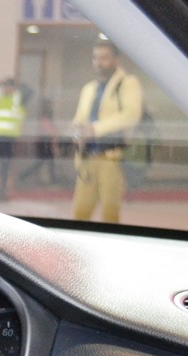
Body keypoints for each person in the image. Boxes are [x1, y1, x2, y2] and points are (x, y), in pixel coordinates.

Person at [70, 40, 143, 223]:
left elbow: (131, 115)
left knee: (110, 214)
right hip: (87, 158)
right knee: (80, 212)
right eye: (96, 58)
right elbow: (79, 118)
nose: (99, 62)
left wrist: (95, 129)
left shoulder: (127, 83)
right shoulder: (88, 89)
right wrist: (77, 132)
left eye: (104, 58)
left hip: (112, 159)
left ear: (116, 60)